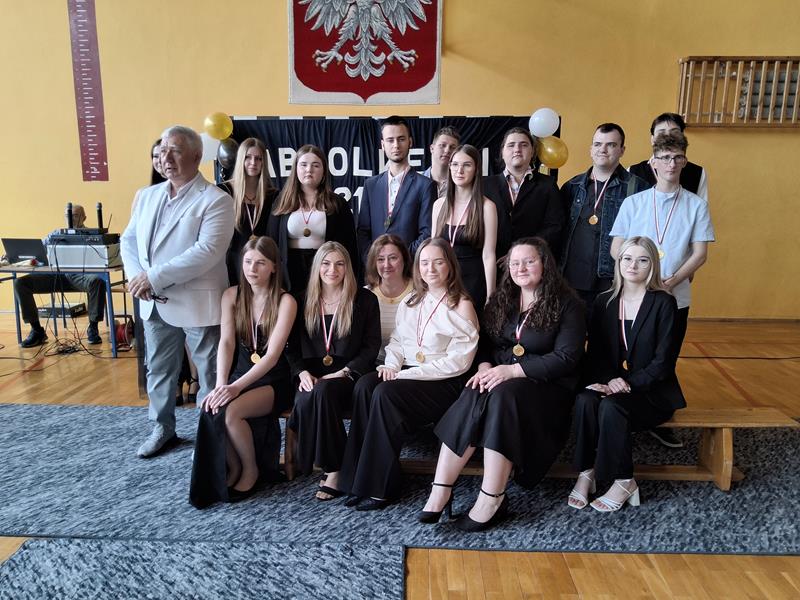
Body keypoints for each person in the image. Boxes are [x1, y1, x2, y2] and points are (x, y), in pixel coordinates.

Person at [420, 237, 585, 531]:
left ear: (545, 264)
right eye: (515, 263)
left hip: (547, 387)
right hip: (501, 377)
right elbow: (484, 343)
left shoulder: (568, 304)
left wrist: (512, 371)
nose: (521, 268)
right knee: (475, 388)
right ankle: (441, 488)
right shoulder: (502, 299)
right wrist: (485, 367)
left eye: (529, 261)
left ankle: (492, 498)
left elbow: (567, 358)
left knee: (503, 395)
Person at [121, 125, 235, 458]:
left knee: (210, 372)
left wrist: (153, 277)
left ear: (197, 156)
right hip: (152, 301)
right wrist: (137, 278)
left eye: (175, 151)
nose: (165, 158)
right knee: (158, 369)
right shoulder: (147, 196)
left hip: (197, 302)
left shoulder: (216, 199)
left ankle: (210, 432)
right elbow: (128, 240)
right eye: (161, 151)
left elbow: (207, 251)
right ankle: (162, 428)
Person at [339, 237, 479, 510]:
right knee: (366, 385)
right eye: (424, 263)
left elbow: (459, 363)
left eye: (438, 262)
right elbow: (398, 342)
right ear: (417, 267)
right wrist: (391, 366)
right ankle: (356, 479)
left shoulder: (461, 304)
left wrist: (404, 375)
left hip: (444, 381)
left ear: (450, 265)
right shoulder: (412, 300)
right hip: (409, 373)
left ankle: (381, 488)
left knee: (386, 393)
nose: (430, 269)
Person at [610, 131, 714, 449]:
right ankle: (624, 411)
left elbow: (700, 254)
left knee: (663, 359)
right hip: (634, 296)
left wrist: (670, 281)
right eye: (665, 158)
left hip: (674, 295)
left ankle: (656, 417)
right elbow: (616, 247)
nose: (671, 163)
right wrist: (637, 277)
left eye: (677, 158)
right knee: (632, 355)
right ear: (653, 163)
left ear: (684, 162)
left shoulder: (696, 205)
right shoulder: (635, 202)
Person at [569, 236, 684, 512]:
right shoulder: (604, 302)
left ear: (652, 265)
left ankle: (623, 480)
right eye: (627, 259)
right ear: (619, 262)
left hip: (650, 393)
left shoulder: (664, 303)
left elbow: (663, 363)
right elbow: (596, 354)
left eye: (642, 260)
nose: (633, 265)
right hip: (610, 383)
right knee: (585, 400)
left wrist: (626, 384)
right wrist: (609, 381)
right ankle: (586, 473)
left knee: (612, 406)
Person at [189, 237, 296, 507]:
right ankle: (233, 467)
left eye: (260, 263)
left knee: (232, 412)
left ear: (274, 267)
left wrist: (235, 388)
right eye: (248, 262)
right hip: (240, 374)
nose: (252, 269)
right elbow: (226, 342)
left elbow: (272, 357)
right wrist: (220, 384)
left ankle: (250, 469)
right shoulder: (231, 295)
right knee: (212, 407)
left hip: (274, 378)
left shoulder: (286, 301)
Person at [284, 242, 381, 499]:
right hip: (311, 374)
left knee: (323, 391)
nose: (332, 270)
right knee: (310, 395)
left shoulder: (365, 299)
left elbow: (371, 347)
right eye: (326, 264)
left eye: (339, 264)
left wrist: (345, 371)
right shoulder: (300, 300)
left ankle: (334, 469)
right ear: (317, 267)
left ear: (348, 268)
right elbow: (290, 347)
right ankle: (337, 463)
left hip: (349, 375)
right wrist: (301, 372)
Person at [560, 124, 649, 317]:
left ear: (622, 150)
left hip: (614, 280)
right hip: (571, 279)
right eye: (598, 144)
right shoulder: (572, 186)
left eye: (611, 145)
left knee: (608, 335)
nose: (603, 149)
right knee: (573, 333)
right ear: (591, 149)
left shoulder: (638, 189)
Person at [268, 145, 357, 295]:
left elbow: (350, 246)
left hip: (326, 271)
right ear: (296, 169)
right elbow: (271, 242)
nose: (309, 170)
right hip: (289, 273)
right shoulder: (281, 201)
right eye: (303, 165)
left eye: (316, 165)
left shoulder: (338, 204)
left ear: (324, 171)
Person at [14, 203, 107, 347]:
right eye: (67, 215)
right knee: (20, 283)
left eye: (75, 215)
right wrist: (12, 256)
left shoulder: (92, 235)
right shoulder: (55, 234)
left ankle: (93, 328)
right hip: (56, 276)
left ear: (84, 218)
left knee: (96, 281)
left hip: (80, 277)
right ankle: (37, 330)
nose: (70, 218)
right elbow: (38, 248)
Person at [356, 116, 436, 265]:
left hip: (410, 269)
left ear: (410, 142)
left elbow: (427, 233)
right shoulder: (370, 185)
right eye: (390, 140)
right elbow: (363, 232)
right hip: (376, 270)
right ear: (382, 145)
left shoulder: (426, 186)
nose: (396, 145)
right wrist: (374, 261)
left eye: (401, 139)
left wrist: (401, 261)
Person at [432, 144, 498, 310]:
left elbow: (488, 255)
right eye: (455, 164)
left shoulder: (487, 207)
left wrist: (491, 296)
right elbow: (433, 250)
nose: (459, 170)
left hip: (473, 282)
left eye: (466, 165)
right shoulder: (439, 205)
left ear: (476, 170)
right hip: (444, 280)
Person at [483, 127, 564, 260]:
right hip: (493, 261)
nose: (517, 149)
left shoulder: (548, 185)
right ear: (502, 152)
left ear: (532, 152)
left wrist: (526, 250)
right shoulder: (485, 185)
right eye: (511, 145)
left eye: (524, 145)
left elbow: (554, 226)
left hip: (533, 261)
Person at [220, 138, 279, 286]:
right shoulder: (224, 191)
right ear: (241, 159)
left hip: (262, 264)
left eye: (258, 158)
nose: (253, 162)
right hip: (233, 263)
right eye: (248, 157)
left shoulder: (273, 195)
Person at [629, 113, 708, 201]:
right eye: (661, 133)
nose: (668, 137)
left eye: (674, 132)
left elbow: (701, 205)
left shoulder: (698, 172)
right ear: (652, 139)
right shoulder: (632, 171)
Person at [363, 234, 413, 364]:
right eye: (380, 259)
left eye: (393, 258)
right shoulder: (365, 295)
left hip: (411, 363)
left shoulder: (420, 292)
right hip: (374, 363)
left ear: (404, 259)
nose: (386, 265)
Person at [423, 126, 460, 197]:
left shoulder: (460, 185)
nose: (447, 150)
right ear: (432, 148)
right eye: (442, 145)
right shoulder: (416, 183)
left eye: (452, 147)